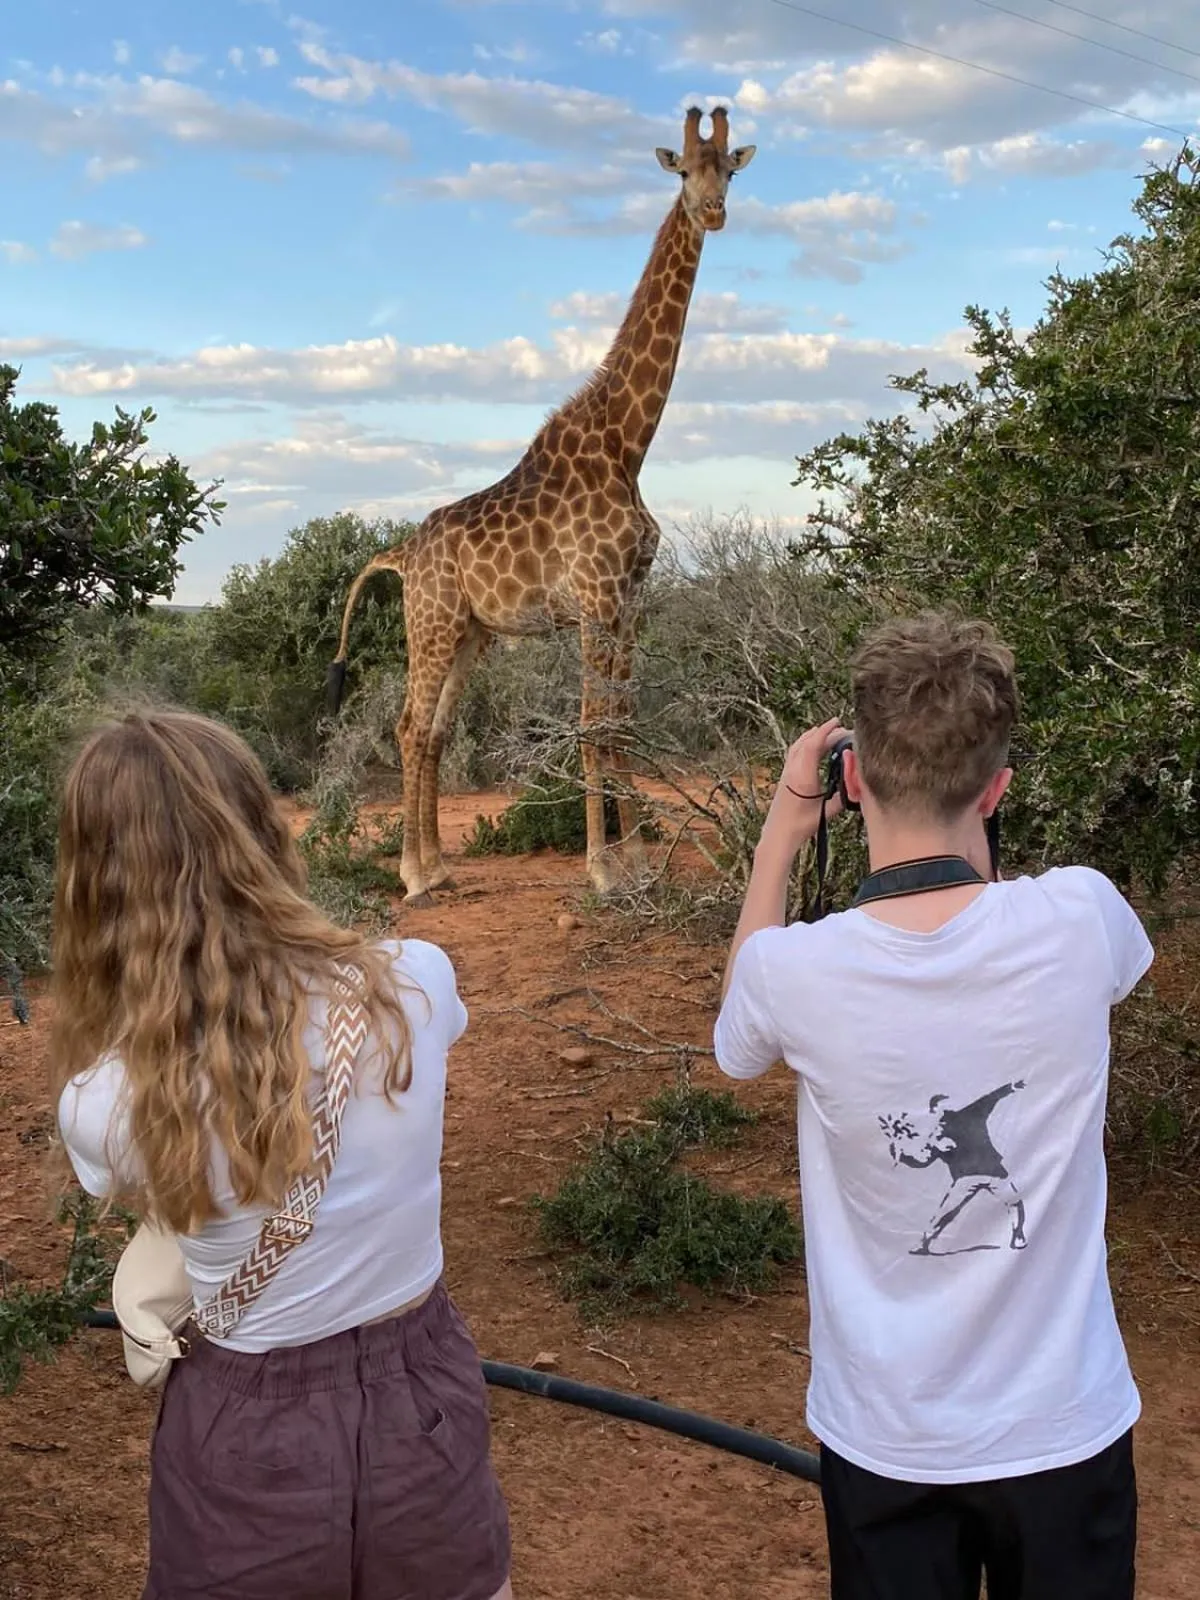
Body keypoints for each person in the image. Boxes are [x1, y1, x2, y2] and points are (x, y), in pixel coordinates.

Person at [713, 613, 1151, 1600]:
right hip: (1064, 1429)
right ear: (997, 790)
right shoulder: (1083, 919)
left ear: (853, 778)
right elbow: (999, 936)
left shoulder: (796, 971)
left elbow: (735, 1039)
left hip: (889, 1441)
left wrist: (784, 831)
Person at [52, 709, 513, 1600]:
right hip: (421, 1394)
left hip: (243, 1425)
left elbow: (155, 1201)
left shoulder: (102, 1101)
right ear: (264, 832)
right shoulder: (416, 984)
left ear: (95, 886)